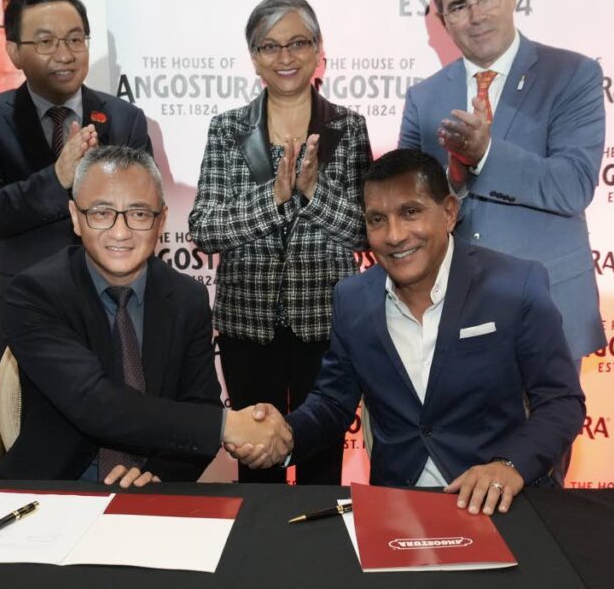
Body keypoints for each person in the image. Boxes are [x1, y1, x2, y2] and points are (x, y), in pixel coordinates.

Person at [229, 150, 585, 516]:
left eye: (410, 212)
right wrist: (286, 435)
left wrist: (508, 466)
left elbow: (561, 402)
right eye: (377, 219)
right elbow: (333, 403)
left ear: (449, 212)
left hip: (498, 503)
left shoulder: (514, 286)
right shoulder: (353, 300)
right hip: (397, 509)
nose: (394, 235)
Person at [0, 146, 291, 484]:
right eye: (101, 212)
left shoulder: (187, 297)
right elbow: (95, 403)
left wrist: (157, 477)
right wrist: (227, 426)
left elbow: (198, 405)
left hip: (154, 491)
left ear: (162, 220)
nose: (120, 232)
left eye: (138, 214)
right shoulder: (35, 293)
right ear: (76, 218)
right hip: (53, 493)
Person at [188, 0, 372, 485]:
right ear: (253, 58)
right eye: (270, 46)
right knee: (256, 460)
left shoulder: (348, 128)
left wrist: (312, 192)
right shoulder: (227, 129)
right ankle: (258, 555)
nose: (285, 57)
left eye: (298, 43)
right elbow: (204, 229)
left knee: (321, 458)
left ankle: (320, 554)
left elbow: (364, 230)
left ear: (318, 51)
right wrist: (272, 199)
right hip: (248, 328)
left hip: (327, 324)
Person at [398, 0, 606, 369]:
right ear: (442, 20)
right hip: (451, 313)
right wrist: (453, 178)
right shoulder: (424, 97)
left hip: (547, 309)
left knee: (543, 436)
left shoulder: (573, 75)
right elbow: (408, 206)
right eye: (458, 6)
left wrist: (486, 153)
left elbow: (572, 186)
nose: (476, 16)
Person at [0, 0, 152, 376]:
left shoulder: (125, 118)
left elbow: (143, 207)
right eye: (46, 41)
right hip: (26, 302)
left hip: (112, 302)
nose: (65, 54)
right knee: (28, 428)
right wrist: (56, 178)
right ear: (15, 50)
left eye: (75, 39)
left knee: (116, 424)